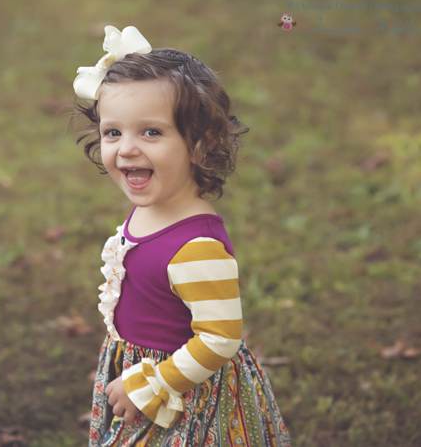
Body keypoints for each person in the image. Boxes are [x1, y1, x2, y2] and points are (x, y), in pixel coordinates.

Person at [72, 25, 291, 447]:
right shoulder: (153, 209)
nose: (127, 148)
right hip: (142, 371)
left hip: (183, 397)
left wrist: (151, 383)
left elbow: (220, 338)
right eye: (113, 132)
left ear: (199, 143)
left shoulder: (196, 248)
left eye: (151, 132)